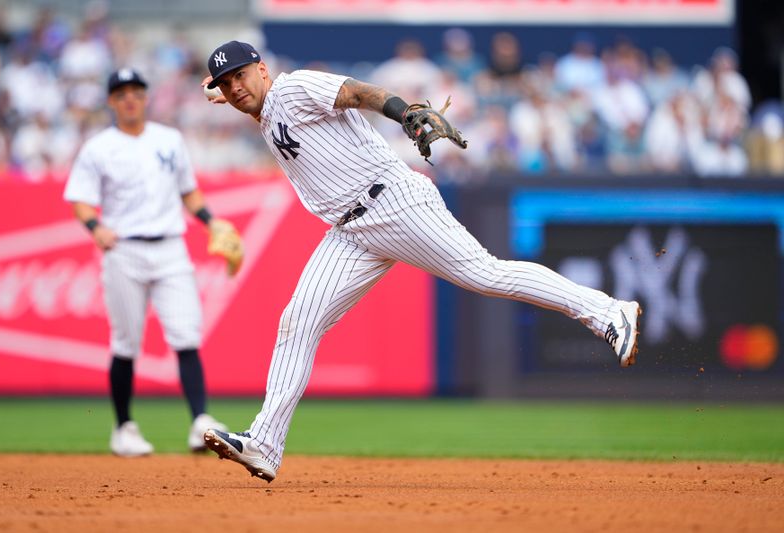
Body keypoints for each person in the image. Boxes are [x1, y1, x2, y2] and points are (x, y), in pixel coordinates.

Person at [199, 41, 642, 482]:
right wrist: (220, 88)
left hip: (393, 201)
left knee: (486, 273)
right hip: (351, 232)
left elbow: (357, 92)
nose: (234, 87)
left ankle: (607, 311)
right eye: (226, 82)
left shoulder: (294, 88)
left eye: (240, 75)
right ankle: (264, 443)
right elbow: (243, 95)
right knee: (298, 322)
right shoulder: (259, 104)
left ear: (262, 68)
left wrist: (404, 112)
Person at [63, 68, 233, 456]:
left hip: (170, 245)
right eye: (121, 93)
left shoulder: (169, 140)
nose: (129, 99)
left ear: (145, 96)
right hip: (124, 249)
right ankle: (124, 428)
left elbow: (188, 192)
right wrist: (96, 227)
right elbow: (79, 198)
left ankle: (200, 422)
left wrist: (211, 223)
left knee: (186, 335)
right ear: (111, 101)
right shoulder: (99, 147)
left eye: (136, 91)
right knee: (125, 342)